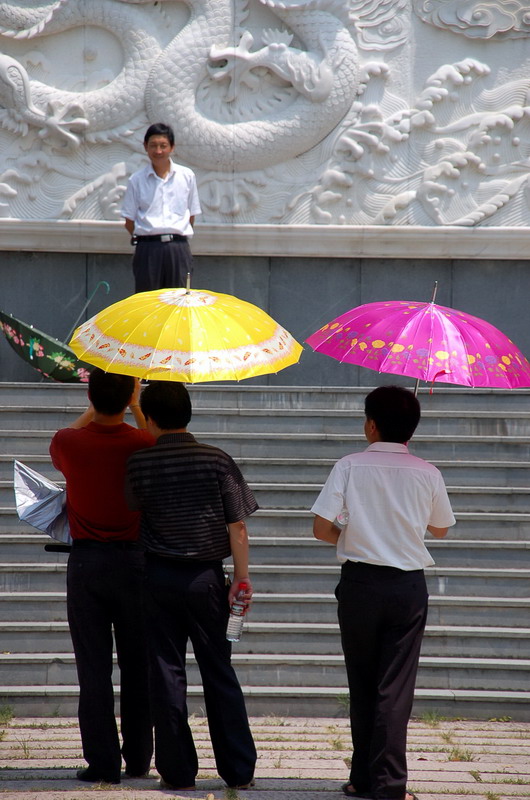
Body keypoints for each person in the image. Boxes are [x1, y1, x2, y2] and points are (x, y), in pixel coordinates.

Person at [311, 385, 456, 800]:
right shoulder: (428, 472)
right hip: (407, 587)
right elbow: (441, 528)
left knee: (362, 681)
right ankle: (389, 783)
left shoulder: (349, 465)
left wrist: (354, 531)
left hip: (360, 584)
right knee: (395, 686)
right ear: (412, 429)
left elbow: (321, 528)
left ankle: (361, 776)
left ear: (371, 425)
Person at [125, 381, 257, 791]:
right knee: (218, 670)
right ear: (188, 412)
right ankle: (237, 769)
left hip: (158, 577)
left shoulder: (138, 463)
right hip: (206, 579)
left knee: (165, 672)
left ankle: (177, 770)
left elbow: (133, 510)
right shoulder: (217, 460)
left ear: (152, 418)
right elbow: (237, 525)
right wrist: (241, 578)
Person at [49, 369, 155, 784]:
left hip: (88, 564)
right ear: (130, 394)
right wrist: (137, 404)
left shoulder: (69, 443)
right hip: (135, 562)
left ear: (91, 395)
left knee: (92, 669)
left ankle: (102, 761)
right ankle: (140, 757)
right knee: (138, 664)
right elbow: (157, 441)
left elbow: (60, 439)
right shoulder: (142, 442)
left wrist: (95, 408)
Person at [121, 122, 202, 293]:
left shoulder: (186, 176)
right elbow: (129, 221)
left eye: (163, 146)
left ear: (172, 147)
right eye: (153, 146)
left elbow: (191, 216)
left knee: (180, 301)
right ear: (145, 147)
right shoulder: (136, 180)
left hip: (178, 249)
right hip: (148, 250)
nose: (158, 151)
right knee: (148, 301)